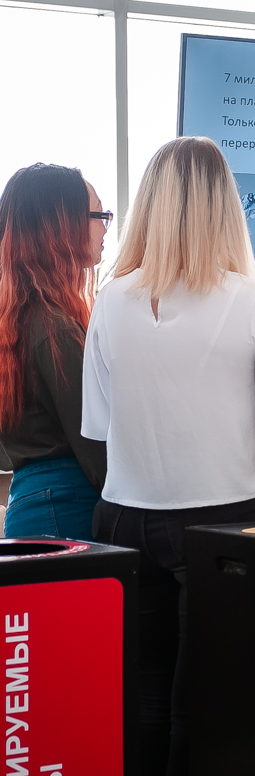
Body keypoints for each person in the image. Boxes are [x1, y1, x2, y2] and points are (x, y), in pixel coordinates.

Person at [83, 137, 255, 776]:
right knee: (200, 718)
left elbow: (101, 432)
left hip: (122, 524)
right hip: (224, 527)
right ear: (224, 205)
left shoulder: (109, 303)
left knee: (141, 709)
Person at [0, 164, 109, 538]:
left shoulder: (18, 320)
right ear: (59, 227)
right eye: (98, 215)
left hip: (31, 505)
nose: (106, 227)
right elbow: (95, 449)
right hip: (68, 510)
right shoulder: (53, 327)